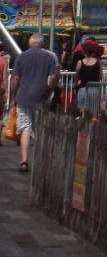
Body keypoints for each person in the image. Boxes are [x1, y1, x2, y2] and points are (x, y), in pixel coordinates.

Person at [8, 33, 60, 172]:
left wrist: (13, 95)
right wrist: (50, 90)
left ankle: (24, 161)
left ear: (30, 43)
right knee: (40, 128)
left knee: (25, 128)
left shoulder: (22, 56)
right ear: (42, 44)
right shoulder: (50, 57)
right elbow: (53, 77)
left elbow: (14, 79)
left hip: (23, 98)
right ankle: (39, 160)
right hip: (41, 97)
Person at [74, 41, 104, 114]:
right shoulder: (98, 62)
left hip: (83, 89)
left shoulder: (80, 62)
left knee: (82, 111)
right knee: (93, 112)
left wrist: (77, 84)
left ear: (83, 51)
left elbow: (77, 77)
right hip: (94, 89)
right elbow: (101, 76)